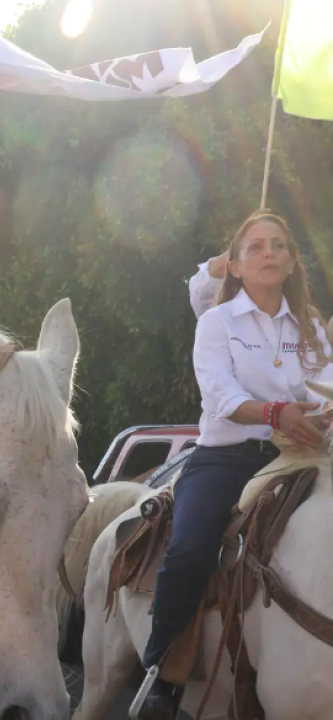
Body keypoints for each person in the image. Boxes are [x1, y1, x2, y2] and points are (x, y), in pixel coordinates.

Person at [136, 210, 333, 719]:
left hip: (300, 457)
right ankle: (163, 677)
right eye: (255, 247)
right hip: (226, 459)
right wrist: (275, 413)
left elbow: (327, 383)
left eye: (278, 246)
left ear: (291, 262)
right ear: (237, 268)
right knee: (190, 548)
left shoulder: (310, 325)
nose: (269, 252)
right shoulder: (215, 323)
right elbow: (222, 396)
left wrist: (326, 411)